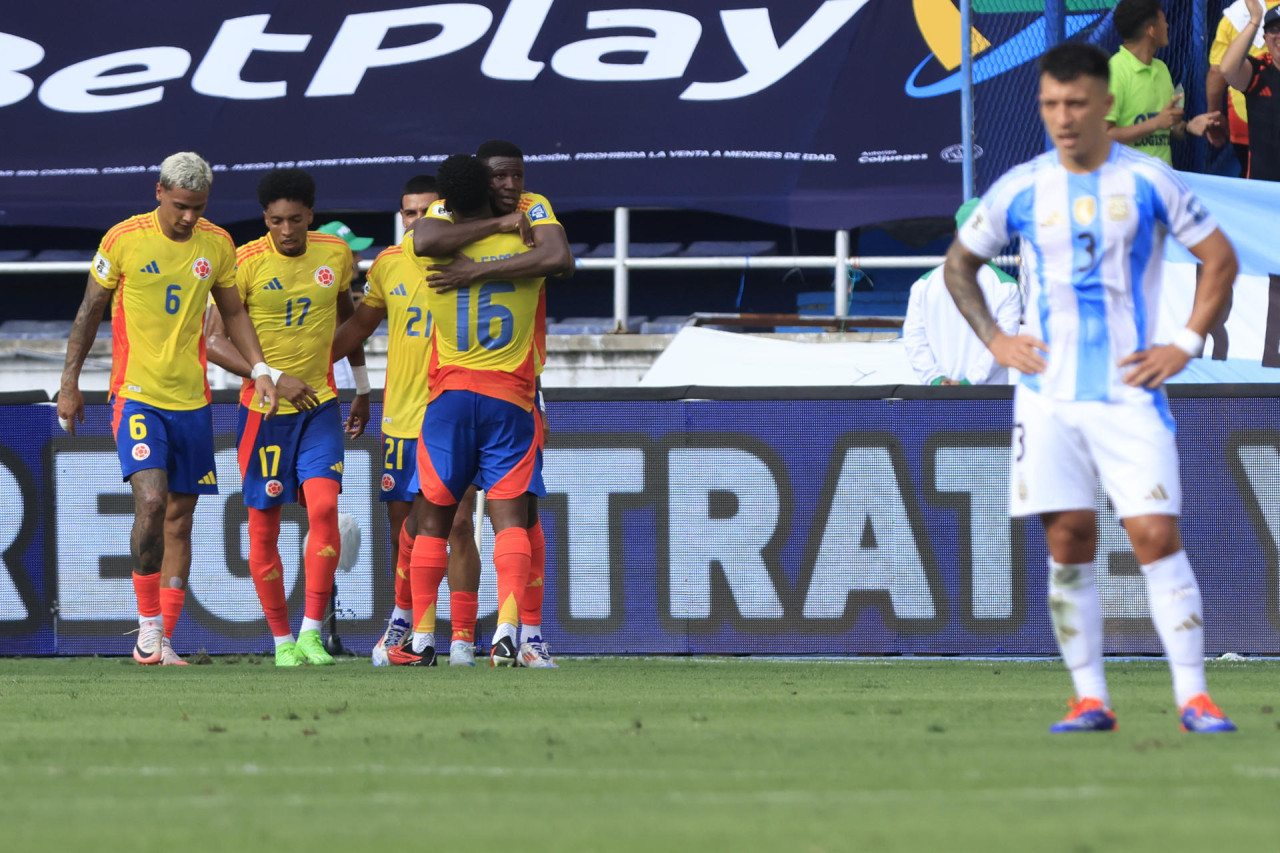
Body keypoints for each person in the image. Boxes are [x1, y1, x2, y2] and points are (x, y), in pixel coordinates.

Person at [943, 43, 1239, 733]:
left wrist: (1187, 343)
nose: (1063, 117)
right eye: (1050, 104)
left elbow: (1219, 259)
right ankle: (1090, 697)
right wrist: (994, 340)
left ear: (1106, 103)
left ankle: (1194, 695)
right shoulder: (1020, 186)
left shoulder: (1149, 183)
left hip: (1130, 392)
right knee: (1069, 540)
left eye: (1076, 103)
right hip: (1046, 397)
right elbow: (960, 266)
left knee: (1154, 536)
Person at [57, 151, 277, 665]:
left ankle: (162, 641)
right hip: (136, 394)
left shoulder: (218, 244)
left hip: (193, 401)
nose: (188, 218)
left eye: (198, 208)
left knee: (179, 520)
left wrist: (260, 369)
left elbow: (234, 311)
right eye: (180, 206)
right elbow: (89, 312)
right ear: (159, 192)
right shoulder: (123, 239)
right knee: (152, 503)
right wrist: (69, 383)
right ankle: (147, 629)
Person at [414, 140, 573, 668]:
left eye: (517, 177)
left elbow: (426, 240)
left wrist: (470, 270)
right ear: (483, 183)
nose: (512, 186)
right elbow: (556, 258)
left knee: (463, 515)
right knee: (510, 514)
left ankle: (437, 637)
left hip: (462, 392)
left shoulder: (523, 208)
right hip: (509, 391)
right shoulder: (512, 224)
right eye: (501, 178)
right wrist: (503, 234)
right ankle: (506, 633)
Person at [206, 168, 370, 667]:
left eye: (295, 219)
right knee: (264, 528)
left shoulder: (335, 254)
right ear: (265, 219)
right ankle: (280, 640)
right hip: (265, 412)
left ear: (310, 216)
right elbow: (214, 341)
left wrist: (362, 387)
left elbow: (348, 320)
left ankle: (312, 633)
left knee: (323, 509)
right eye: (276, 221)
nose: (286, 230)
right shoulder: (245, 261)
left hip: (320, 404)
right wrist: (272, 376)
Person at [330, 174, 483, 667]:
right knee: (409, 534)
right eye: (409, 213)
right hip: (400, 418)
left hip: (454, 413)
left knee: (458, 525)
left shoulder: (472, 259)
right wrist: (307, 366)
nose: (416, 220)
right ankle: (410, 627)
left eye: (426, 211)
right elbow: (358, 326)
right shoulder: (389, 266)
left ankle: (461, 637)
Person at [902, 199, 1020, 386]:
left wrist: (935, 380)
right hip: (989, 401)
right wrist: (967, 384)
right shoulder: (1006, 287)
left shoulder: (923, 285)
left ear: (957, 234)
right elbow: (1002, 343)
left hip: (939, 398)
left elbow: (913, 339)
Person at [1105, 0, 1223, 164]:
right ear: (1151, 30)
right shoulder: (1114, 72)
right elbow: (1103, 137)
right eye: (1163, 20)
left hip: (1163, 180)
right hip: (1128, 184)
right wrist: (1155, 123)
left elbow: (1166, 126)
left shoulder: (1162, 69)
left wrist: (1188, 126)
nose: (1167, 25)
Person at [1207, 0, 1280, 173]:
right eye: (1274, 29)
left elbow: (1216, 72)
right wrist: (1255, 20)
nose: (1279, 36)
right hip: (1264, 185)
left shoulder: (1234, 14)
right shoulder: (1260, 72)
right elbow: (1224, 69)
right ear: (1265, 38)